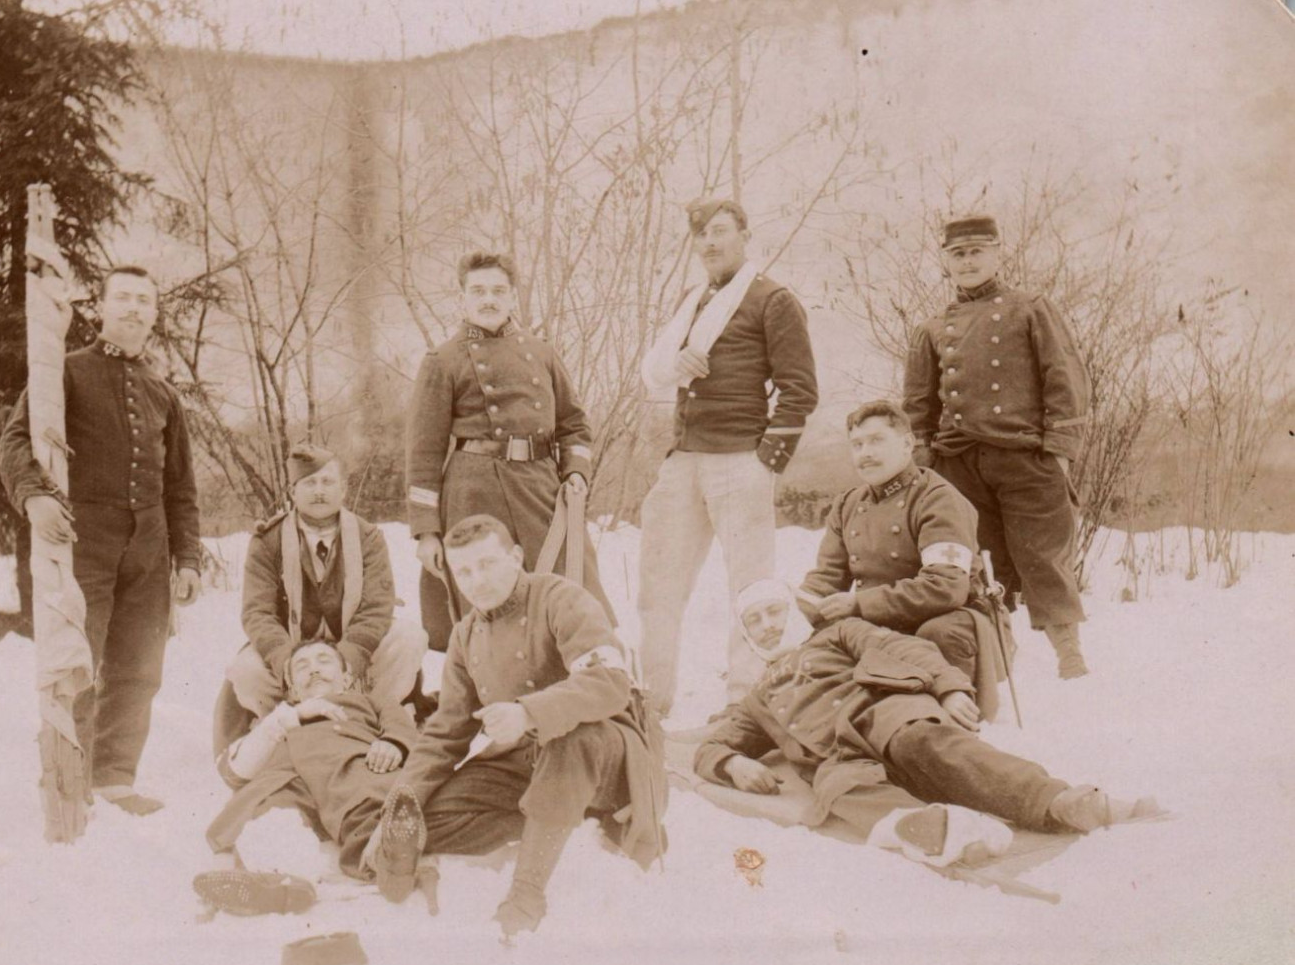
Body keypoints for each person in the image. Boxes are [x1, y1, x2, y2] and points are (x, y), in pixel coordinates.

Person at [364, 515, 666, 939]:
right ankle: (552, 817)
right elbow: (445, 733)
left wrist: (528, 713)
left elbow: (610, 683)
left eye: (487, 564)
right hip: (525, 761)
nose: (477, 581)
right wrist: (402, 800)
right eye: (464, 571)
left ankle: (527, 895)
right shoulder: (465, 635)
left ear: (516, 557)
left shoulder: (561, 599)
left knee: (569, 739)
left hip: (603, 754)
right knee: (431, 818)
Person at [696, 580, 1151, 861]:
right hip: (838, 756)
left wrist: (949, 687)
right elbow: (713, 745)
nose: (767, 624)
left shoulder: (838, 633)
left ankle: (1057, 802)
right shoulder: (755, 699)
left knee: (927, 743)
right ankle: (932, 829)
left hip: (883, 716)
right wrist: (733, 765)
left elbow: (907, 650)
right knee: (838, 790)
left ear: (794, 611)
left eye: (774, 610)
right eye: (753, 621)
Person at [0, 265, 200, 816]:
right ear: (102, 308)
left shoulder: (163, 394)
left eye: (145, 301)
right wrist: (35, 497)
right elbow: (15, 442)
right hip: (83, 542)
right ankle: (69, 780)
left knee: (139, 666)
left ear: (154, 315)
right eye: (124, 299)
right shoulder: (63, 373)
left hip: (150, 550)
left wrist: (188, 558)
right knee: (76, 660)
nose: (135, 309)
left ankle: (114, 778)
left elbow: (180, 485)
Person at [638, 197, 819, 717]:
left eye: (720, 231)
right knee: (659, 582)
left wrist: (765, 460)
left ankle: (745, 698)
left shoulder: (772, 299)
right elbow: (662, 369)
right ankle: (654, 697)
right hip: (683, 460)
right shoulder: (691, 300)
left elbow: (799, 389)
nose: (710, 243)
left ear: (744, 234)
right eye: (701, 235)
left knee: (752, 589)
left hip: (740, 459)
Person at [903, 214, 1092, 678]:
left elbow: (1064, 379)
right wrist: (926, 458)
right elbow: (917, 404)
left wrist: (1060, 450)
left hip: (1025, 456)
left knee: (1043, 557)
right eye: (957, 254)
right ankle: (995, 662)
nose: (967, 262)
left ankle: (1070, 656)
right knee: (979, 568)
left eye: (976, 252)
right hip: (959, 464)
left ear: (996, 253)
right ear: (945, 262)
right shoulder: (931, 327)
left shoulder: (1030, 308)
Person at [406, 251, 612, 652]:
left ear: (513, 297)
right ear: (462, 298)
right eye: (478, 291)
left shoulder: (543, 353)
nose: (489, 300)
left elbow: (574, 424)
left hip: (541, 486)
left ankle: (583, 679)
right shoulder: (442, 360)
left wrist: (575, 473)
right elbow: (423, 452)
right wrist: (427, 531)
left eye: (498, 291)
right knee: (486, 596)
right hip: (474, 491)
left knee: (570, 586)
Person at [214, 444, 429, 767]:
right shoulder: (267, 541)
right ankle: (288, 729)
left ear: (343, 489)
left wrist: (348, 657)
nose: (319, 491)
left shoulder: (368, 537)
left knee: (408, 638)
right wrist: (286, 660)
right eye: (309, 483)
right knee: (245, 671)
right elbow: (257, 613)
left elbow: (376, 606)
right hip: (293, 654)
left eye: (327, 482)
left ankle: (373, 722)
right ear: (293, 492)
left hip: (352, 652)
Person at [796, 400, 986, 678]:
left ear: (907, 444)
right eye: (857, 445)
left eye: (876, 441)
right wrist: (790, 613)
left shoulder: (938, 499)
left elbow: (946, 587)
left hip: (947, 620)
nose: (866, 453)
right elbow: (826, 578)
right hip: (878, 622)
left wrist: (859, 604)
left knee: (938, 633)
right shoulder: (846, 505)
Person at [204, 639, 418, 883]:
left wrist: (394, 743)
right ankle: (276, 882)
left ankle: (388, 858)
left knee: (368, 803)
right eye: (302, 666)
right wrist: (292, 715)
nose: (314, 669)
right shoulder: (283, 716)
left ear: (347, 679)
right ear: (293, 690)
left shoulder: (370, 702)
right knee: (272, 819)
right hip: (292, 780)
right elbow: (235, 770)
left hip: (351, 767)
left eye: (324, 661)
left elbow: (402, 726)